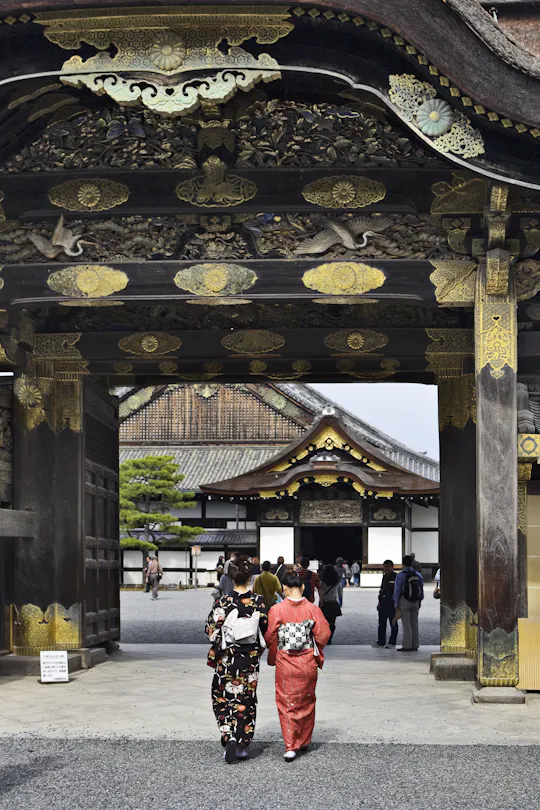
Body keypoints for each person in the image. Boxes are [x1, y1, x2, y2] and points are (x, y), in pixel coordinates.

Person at [205, 556, 268, 763]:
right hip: (249, 660)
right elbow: (265, 632)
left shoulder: (223, 602)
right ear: (250, 577)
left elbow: (210, 631)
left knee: (223, 697)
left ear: (231, 578)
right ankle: (242, 743)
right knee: (246, 700)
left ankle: (229, 735)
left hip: (227, 660)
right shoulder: (258, 602)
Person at [265, 571, 331, 761]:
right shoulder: (313, 609)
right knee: (307, 700)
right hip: (307, 660)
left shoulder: (277, 610)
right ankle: (303, 740)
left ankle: (290, 745)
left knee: (286, 702)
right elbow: (323, 634)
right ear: (302, 587)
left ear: (284, 588)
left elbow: (270, 636)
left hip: (286, 662)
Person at [393, 555, 424, 651]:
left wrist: (396, 603)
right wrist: (420, 601)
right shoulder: (418, 575)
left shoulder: (401, 575)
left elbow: (397, 590)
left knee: (406, 624)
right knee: (414, 623)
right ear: (412, 563)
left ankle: (407, 646)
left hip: (404, 600)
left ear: (402, 563)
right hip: (415, 601)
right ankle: (415, 645)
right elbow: (421, 589)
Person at [373, 560, 398, 649]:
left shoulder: (396, 577)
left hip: (392, 604)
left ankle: (392, 642)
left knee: (393, 623)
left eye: (388, 566)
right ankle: (381, 642)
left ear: (392, 567)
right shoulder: (384, 577)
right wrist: (379, 603)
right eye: (385, 566)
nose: (386, 568)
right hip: (383, 603)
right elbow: (381, 590)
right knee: (381, 623)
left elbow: (397, 591)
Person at [319, 564, 342, 644]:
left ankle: (325, 637)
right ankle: (330, 638)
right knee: (332, 623)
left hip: (325, 603)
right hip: (333, 603)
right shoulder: (337, 582)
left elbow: (321, 593)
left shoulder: (322, 582)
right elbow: (340, 594)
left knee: (324, 622)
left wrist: (320, 602)